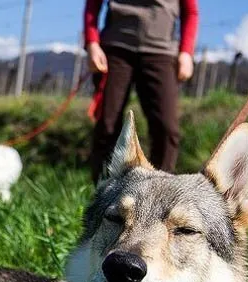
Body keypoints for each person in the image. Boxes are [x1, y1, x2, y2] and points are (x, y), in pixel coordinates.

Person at [85, 0, 199, 183]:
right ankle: (103, 194)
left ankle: (160, 190)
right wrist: (91, 42)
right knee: (107, 125)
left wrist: (186, 51)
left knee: (167, 129)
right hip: (116, 48)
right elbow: (93, 4)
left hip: (161, 51)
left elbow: (191, 11)